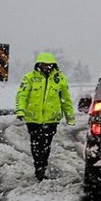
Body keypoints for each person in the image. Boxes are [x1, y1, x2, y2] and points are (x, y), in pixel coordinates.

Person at [16, 52, 76, 181]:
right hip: (33, 119)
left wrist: (70, 116)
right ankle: (39, 166)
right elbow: (22, 95)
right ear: (39, 64)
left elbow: (66, 99)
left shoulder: (60, 79)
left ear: (53, 65)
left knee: (46, 144)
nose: (46, 67)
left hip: (51, 119)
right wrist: (20, 110)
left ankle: (42, 166)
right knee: (36, 143)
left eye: (49, 65)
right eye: (44, 64)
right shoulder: (30, 78)